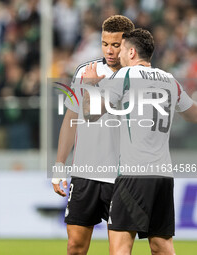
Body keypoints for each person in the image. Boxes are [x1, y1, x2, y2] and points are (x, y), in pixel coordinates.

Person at [82, 28, 197, 255]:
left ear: (132, 52)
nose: (119, 54)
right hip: (163, 175)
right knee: (162, 246)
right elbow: (193, 115)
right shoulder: (170, 80)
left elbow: (89, 114)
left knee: (120, 247)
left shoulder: (124, 77)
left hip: (134, 174)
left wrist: (89, 85)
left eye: (122, 49)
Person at [52, 15, 134, 255]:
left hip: (121, 176)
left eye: (116, 45)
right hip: (85, 172)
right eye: (105, 43)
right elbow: (71, 119)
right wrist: (59, 164)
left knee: (119, 251)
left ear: (128, 45)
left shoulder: (137, 76)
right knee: (75, 247)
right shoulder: (85, 71)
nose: (109, 50)